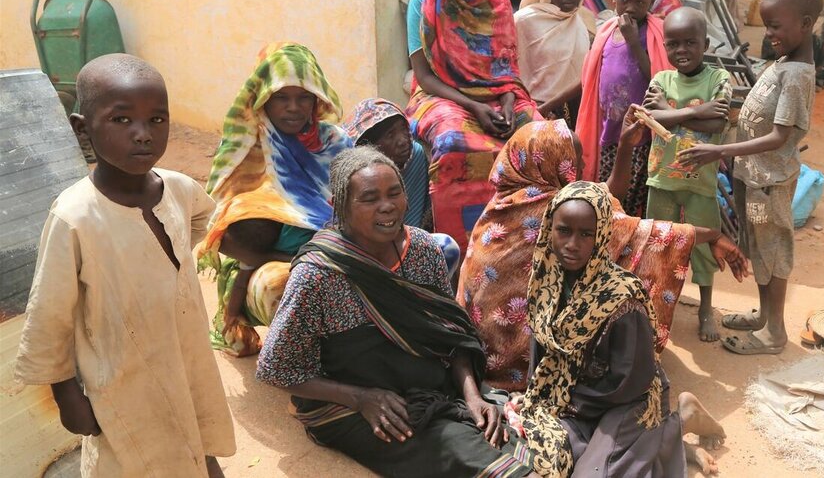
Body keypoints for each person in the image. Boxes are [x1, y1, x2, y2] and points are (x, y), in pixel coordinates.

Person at [15, 54, 235, 477]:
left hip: (184, 359)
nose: (142, 135)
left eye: (157, 120)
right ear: (82, 128)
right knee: (133, 458)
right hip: (122, 378)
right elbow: (50, 318)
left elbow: (203, 218)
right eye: (122, 121)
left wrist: (157, 267)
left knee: (196, 440)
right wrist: (67, 396)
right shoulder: (75, 217)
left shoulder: (177, 186)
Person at [255, 147, 535, 477]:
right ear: (341, 207)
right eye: (369, 198)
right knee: (465, 452)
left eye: (394, 193)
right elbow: (276, 368)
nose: (387, 206)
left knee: (511, 427)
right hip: (350, 403)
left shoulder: (422, 249)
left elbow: (451, 336)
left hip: (426, 382)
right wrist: (360, 398)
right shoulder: (319, 274)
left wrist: (472, 396)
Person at [457, 108, 748, 391]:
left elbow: (602, 199)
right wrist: (713, 235)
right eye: (575, 162)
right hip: (517, 360)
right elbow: (630, 228)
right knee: (627, 256)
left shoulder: (509, 199)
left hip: (482, 351)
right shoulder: (549, 207)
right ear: (552, 162)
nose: (582, 168)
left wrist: (624, 147)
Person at [520, 181, 726, 477]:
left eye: (586, 234)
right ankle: (668, 442)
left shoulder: (621, 297)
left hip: (623, 399)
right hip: (569, 396)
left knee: (595, 473)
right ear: (549, 229)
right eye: (563, 230)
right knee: (546, 452)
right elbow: (541, 349)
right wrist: (541, 398)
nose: (572, 244)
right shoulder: (544, 282)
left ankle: (678, 422)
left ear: (601, 235)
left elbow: (632, 379)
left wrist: (571, 402)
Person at [679, 0, 824, 355]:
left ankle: (775, 331)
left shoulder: (796, 74)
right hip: (754, 176)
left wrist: (721, 152)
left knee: (772, 250)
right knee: (758, 247)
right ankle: (764, 316)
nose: (769, 33)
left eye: (776, 25)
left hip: (769, 182)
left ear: (805, 23)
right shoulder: (785, 62)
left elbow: (779, 136)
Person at [199, 42, 351, 357]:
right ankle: (294, 359)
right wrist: (267, 250)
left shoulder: (336, 142)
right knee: (278, 280)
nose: (293, 107)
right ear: (263, 99)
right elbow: (217, 229)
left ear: (316, 99)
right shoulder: (247, 146)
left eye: (303, 97)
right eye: (281, 97)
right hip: (264, 254)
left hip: (334, 246)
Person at [406, 0, 540, 255]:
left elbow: (505, 70)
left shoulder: (497, 2)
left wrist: (508, 104)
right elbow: (424, 76)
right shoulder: (424, 3)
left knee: (541, 138)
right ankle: (461, 250)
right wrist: (475, 107)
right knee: (455, 143)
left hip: (498, 95)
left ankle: (531, 243)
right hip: (440, 94)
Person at [643, 7, 733, 342]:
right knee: (660, 245)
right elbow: (651, 116)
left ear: (706, 43)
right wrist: (694, 111)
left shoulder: (719, 80)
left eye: (690, 42)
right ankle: (655, 307)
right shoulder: (660, 80)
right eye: (674, 44)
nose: (682, 50)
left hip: (701, 182)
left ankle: (705, 308)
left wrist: (672, 112)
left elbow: (718, 122)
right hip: (661, 179)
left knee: (703, 246)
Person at [576, 0, 673, 217]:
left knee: (631, 197)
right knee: (608, 193)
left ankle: (627, 243)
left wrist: (633, 41)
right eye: (624, 0)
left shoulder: (655, 34)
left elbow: (658, 78)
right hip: (609, 130)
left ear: (651, 1)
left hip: (640, 136)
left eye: (640, 2)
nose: (630, 8)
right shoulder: (606, 31)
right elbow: (591, 77)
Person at [343, 97, 461, 275]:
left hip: (405, 248)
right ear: (368, 146)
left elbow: (416, 221)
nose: (403, 141)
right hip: (363, 252)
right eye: (390, 135)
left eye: (404, 130)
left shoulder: (415, 156)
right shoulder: (351, 174)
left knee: (447, 247)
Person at [514, 0, 595, 127]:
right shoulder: (524, 21)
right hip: (528, 110)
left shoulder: (581, 27)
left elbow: (580, 82)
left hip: (567, 114)